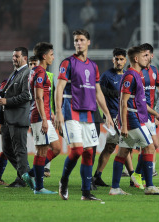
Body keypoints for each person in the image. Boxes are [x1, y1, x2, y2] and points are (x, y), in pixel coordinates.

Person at [55, 29, 113, 201]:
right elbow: (59, 88)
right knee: (78, 149)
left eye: (81, 40)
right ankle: (63, 180)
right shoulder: (68, 63)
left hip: (88, 112)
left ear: (88, 42)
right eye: (75, 40)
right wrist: (58, 112)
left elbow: (98, 92)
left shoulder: (93, 66)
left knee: (89, 152)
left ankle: (86, 193)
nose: (78, 43)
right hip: (70, 110)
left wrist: (107, 114)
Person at [109, 46, 159, 196]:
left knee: (122, 153)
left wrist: (155, 114)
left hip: (136, 117)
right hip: (132, 119)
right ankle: (149, 186)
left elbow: (140, 102)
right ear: (136, 59)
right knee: (150, 147)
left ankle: (115, 188)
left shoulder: (137, 75)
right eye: (144, 56)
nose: (147, 58)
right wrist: (124, 126)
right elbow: (123, 101)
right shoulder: (130, 76)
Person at [130, 43, 159, 187]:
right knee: (146, 146)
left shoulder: (154, 71)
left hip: (148, 115)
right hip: (137, 113)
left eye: (147, 54)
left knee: (152, 145)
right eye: (142, 54)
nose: (145, 56)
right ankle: (139, 177)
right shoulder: (135, 72)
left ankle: (137, 175)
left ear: (151, 55)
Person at [92, 48, 136, 188]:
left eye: (121, 59)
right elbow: (99, 94)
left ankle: (97, 176)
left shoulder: (127, 75)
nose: (118, 61)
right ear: (113, 60)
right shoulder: (106, 76)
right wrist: (106, 115)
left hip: (125, 116)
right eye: (116, 59)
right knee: (118, 145)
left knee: (121, 146)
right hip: (112, 116)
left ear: (125, 61)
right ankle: (133, 177)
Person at [0, 47, 33, 188]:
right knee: (7, 149)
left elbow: (27, 96)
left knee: (20, 150)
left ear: (25, 58)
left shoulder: (27, 73)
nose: (14, 58)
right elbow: (7, 93)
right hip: (8, 119)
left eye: (17, 56)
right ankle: (26, 175)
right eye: (13, 56)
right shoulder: (15, 73)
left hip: (18, 118)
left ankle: (24, 179)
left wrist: (7, 101)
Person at [27, 42, 61, 194]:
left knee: (56, 148)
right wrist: (44, 119)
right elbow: (39, 98)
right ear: (44, 56)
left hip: (45, 115)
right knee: (41, 151)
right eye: (51, 55)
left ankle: (31, 174)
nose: (53, 57)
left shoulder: (36, 71)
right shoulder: (40, 73)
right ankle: (39, 187)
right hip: (40, 117)